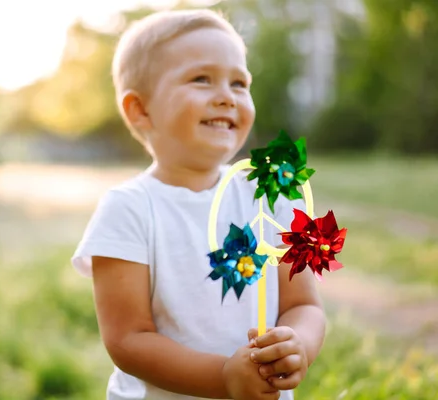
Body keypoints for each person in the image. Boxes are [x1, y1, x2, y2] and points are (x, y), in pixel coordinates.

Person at [72, 8, 325, 400]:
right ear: (140, 109)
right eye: (201, 79)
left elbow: (305, 304)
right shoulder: (128, 209)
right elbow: (127, 339)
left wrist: (298, 345)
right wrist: (223, 376)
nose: (226, 97)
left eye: (239, 83)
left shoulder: (268, 192)